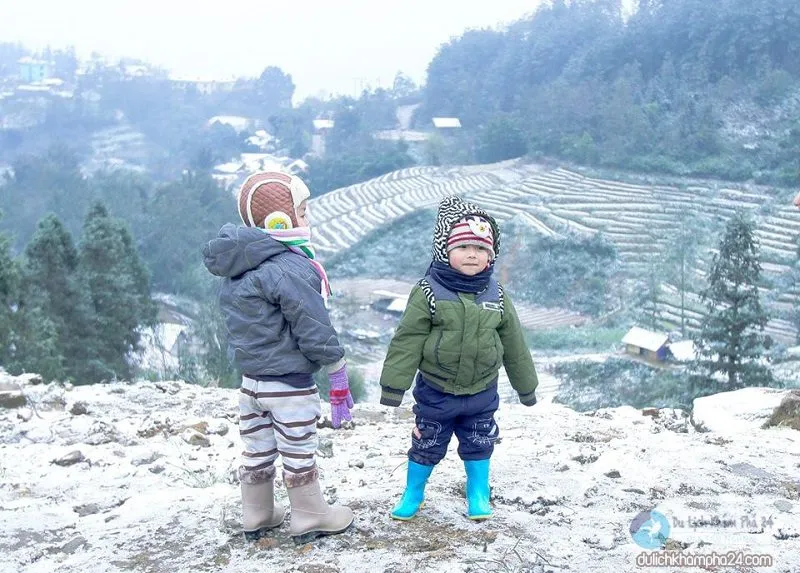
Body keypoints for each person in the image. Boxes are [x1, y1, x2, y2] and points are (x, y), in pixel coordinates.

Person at [203, 171, 354, 544]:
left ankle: (256, 513)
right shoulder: (290, 267)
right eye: (302, 212)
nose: (308, 219)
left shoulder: (238, 271)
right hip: (289, 386)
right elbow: (312, 325)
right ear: (280, 221)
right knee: (298, 449)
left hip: (251, 385)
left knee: (257, 448)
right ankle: (310, 514)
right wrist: (336, 368)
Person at [379, 194, 539, 522]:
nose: (472, 254)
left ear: (490, 257)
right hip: (436, 392)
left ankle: (478, 492)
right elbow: (407, 341)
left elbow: (514, 344)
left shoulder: (496, 296)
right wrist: (393, 387)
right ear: (446, 251)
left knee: (480, 442)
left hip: (482, 392)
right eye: (464, 247)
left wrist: (527, 388)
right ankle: (413, 491)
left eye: (481, 249)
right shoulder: (428, 292)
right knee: (427, 443)